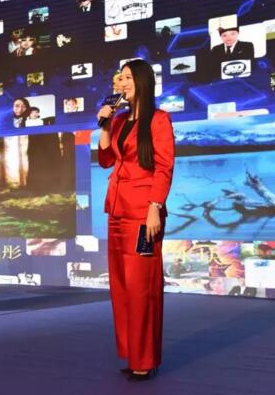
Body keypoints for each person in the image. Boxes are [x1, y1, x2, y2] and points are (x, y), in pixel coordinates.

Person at [97, 59, 175, 381]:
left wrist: (155, 206)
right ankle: (132, 354)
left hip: (143, 216)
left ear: (141, 81)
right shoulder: (118, 121)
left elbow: (164, 167)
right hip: (117, 212)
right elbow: (106, 160)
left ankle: (145, 359)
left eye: (128, 77)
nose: (122, 83)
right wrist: (104, 124)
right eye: (121, 78)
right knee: (122, 287)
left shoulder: (159, 120)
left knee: (143, 287)